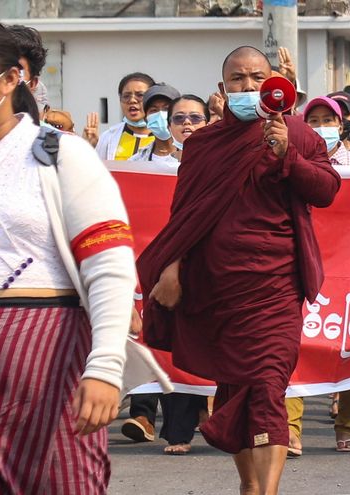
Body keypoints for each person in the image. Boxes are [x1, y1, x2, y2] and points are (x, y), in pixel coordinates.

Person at [137, 46, 340, 495]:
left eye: (256, 79)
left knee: (268, 383)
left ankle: (265, 492)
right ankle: (250, 485)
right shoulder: (204, 145)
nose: (248, 88)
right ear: (221, 89)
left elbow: (327, 190)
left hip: (276, 286)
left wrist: (288, 153)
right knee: (233, 390)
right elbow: (183, 216)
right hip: (218, 288)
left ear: (272, 84)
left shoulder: (300, 134)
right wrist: (170, 269)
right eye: (238, 80)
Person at [0, 32, 137, 493]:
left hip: (47, 352)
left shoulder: (59, 153)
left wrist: (104, 367)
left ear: (9, 80)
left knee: (62, 481)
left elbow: (110, 264)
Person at [125, 92, 212, 456]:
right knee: (175, 341)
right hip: (167, 267)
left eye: (195, 117)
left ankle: (219, 418)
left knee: (213, 341)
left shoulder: (222, 161)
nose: (186, 124)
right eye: (179, 118)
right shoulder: (140, 167)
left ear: (209, 122)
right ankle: (178, 431)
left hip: (213, 264)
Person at [286, 96, 350, 455]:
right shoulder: (293, 161)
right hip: (304, 265)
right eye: (313, 119)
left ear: (342, 124)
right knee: (295, 348)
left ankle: (344, 425)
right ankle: (291, 429)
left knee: (349, 348)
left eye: (328, 119)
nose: (321, 126)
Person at [92, 72, 156, 160]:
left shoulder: (166, 138)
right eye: (126, 96)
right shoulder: (108, 137)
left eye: (140, 95)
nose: (132, 100)